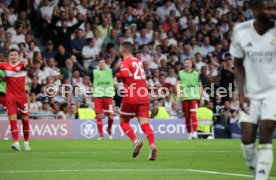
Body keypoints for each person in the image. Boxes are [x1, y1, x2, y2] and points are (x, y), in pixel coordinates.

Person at [230, 0, 276, 179]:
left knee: (266, 133)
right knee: (247, 140)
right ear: (256, 10)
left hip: (273, 91)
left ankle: (261, 178)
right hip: (250, 92)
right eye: (269, 9)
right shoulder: (241, 31)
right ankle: (254, 166)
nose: (273, 12)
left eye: (275, 8)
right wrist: (242, 94)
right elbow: (238, 64)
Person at [116, 41, 157, 160]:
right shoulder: (139, 62)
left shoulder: (125, 61)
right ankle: (152, 145)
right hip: (143, 95)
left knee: (123, 122)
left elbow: (123, 73)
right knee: (144, 123)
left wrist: (118, 77)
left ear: (123, 50)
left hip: (131, 95)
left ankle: (136, 141)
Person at [71, 55, 115, 140]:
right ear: (98, 64)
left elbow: (120, 68)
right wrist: (75, 61)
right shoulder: (94, 72)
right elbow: (83, 70)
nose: (102, 64)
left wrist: (126, 60)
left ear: (105, 64)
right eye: (100, 63)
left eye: (103, 63)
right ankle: (101, 135)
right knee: (98, 115)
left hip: (108, 97)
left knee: (111, 117)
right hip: (98, 97)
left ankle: (109, 129)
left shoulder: (110, 72)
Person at [0, 49, 32, 151]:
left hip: (22, 97)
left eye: (15, 55)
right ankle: (16, 142)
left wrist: (30, 59)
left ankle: (26, 142)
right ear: (9, 57)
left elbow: (29, 65)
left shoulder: (22, 65)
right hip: (10, 97)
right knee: (13, 120)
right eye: (11, 55)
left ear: (18, 57)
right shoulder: (4, 65)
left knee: (25, 120)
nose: (13, 56)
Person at [177, 58, 203, 140]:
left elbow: (200, 86)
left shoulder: (196, 74)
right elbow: (178, 84)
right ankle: (189, 134)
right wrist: (179, 93)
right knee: (187, 116)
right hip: (184, 97)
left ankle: (195, 133)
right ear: (184, 64)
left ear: (191, 64)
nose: (187, 64)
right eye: (186, 63)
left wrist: (201, 97)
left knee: (193, 114)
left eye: (189, 63)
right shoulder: (180, 73)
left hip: (194, 96)